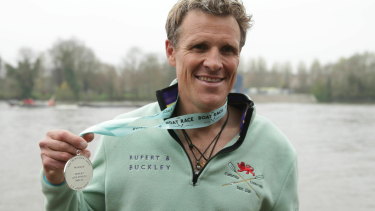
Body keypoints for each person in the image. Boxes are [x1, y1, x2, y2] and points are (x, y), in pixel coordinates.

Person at [39, 0, 298, 210]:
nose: (214, 62)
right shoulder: (120, 136)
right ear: (171, 52)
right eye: (199, 47)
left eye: (228, 50)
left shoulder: (277, 150)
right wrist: (57, 182)